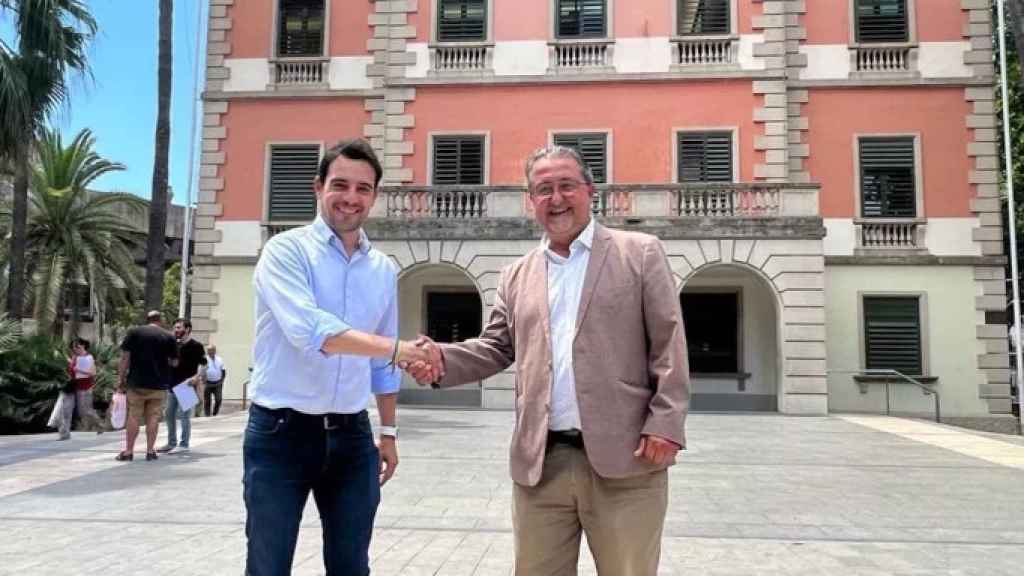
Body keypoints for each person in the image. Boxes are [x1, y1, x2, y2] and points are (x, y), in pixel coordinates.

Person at [408, 145, 690, 576]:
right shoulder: (516, 274)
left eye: (566, 186)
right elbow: (496, 347)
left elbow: (669, 342)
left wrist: (666, 422)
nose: (556, 199)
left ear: (589, 191)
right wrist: (440, 359)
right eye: (543, 190)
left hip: (627, 461)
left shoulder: (641, 253)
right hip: (542, 465)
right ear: (531, 200)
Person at [243, 137, 434, 576]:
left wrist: (388, 431)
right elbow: (311, 331)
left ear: (375, 197)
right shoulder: (284, 252)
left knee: (352, 567)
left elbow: (381, 365)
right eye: (340, 185)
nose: (351, 198)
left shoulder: (382, 268)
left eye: (363, 189)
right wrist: (399, 349)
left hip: (351, 436)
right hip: (280, 432)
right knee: (268, 566)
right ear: (318, 187)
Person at [116, 310, 178, 462]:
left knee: (134, 416)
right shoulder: (168, 336)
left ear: (147, 319)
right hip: (158, 384)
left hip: (137, 383)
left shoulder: (134, 333)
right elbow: (175, 362)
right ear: (160, 320)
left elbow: (125, 358)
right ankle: (150, 451)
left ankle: (129, 451)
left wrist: (120, 379)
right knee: (153, 417)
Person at [158, 318, 207, 454]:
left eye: (179, 328)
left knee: (183, 415)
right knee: (168, 414)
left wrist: (196, 377)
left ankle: (184, 444)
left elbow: (204, 364)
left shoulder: (196, 346)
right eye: (175, 328)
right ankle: (171, 442)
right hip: (172, 385)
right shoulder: (174, 345)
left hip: (186, 385)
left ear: (188, 329)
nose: (176, 330)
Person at [57, 337, 103, 440]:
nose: (75, 348)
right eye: (73, 347)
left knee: (85, 410)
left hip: (85, 388)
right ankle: (64, 434)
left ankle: (99, 424)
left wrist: (79, 369)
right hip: (72, 386)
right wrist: (70, 363)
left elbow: (92, 373)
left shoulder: (89, 358)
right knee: (65, 410)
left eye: (77, 346)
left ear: (83, 346)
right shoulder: (74, 357)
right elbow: (72, 370)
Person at [202, 343, 226, 416]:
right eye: (208, 350)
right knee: (207, 401)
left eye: (212, 350)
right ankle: (207, 416)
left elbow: (223, 370)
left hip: (218, 383)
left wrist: (222, 380)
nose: (210, 351)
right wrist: (203, 380)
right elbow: (201, 371)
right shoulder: (204, 359)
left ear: (215, 351)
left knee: (219, 399)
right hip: (207, 383)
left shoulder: (219, 359)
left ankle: (215, 413)